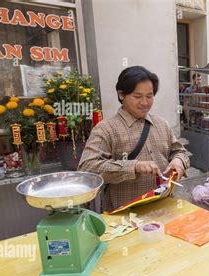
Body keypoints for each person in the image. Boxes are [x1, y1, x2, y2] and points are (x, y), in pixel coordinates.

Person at [78, 66, 190, 212]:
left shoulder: (162, 124)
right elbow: (86, 169)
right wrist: (134, 166)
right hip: (124, 215)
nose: (145, 102)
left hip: (164, 208)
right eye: (137, 96)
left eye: (149, 96)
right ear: (121, 95)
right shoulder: (106, 128)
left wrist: (179, 161)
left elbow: (179, 151)